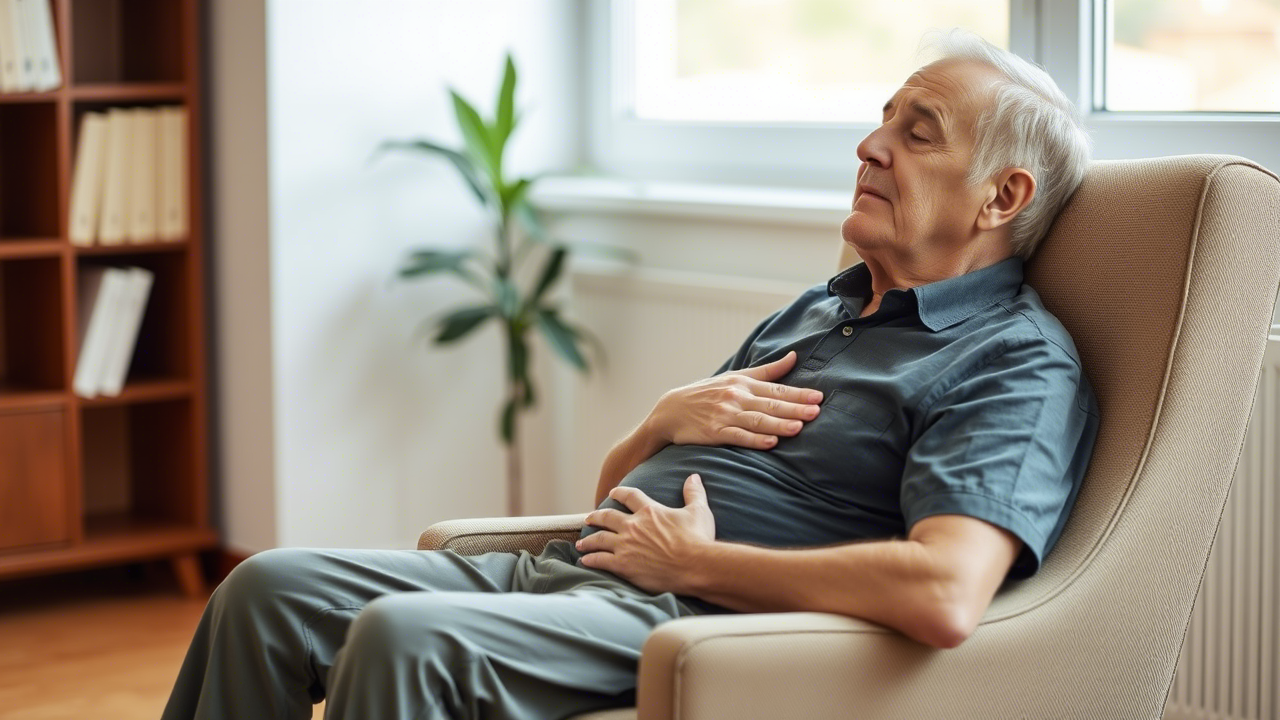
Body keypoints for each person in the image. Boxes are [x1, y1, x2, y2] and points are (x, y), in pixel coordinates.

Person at [162, 28, 1099, 720]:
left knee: (402, 638)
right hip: (576, 580)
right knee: (266, 592)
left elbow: (945, 593)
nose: (870, 145)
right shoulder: (822, 310)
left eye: (918, 131)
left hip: (704, 618)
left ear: (1001, 196)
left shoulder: (1011, 359)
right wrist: (656, 424)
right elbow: (613, 502)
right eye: (881, 118)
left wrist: (699, 563)